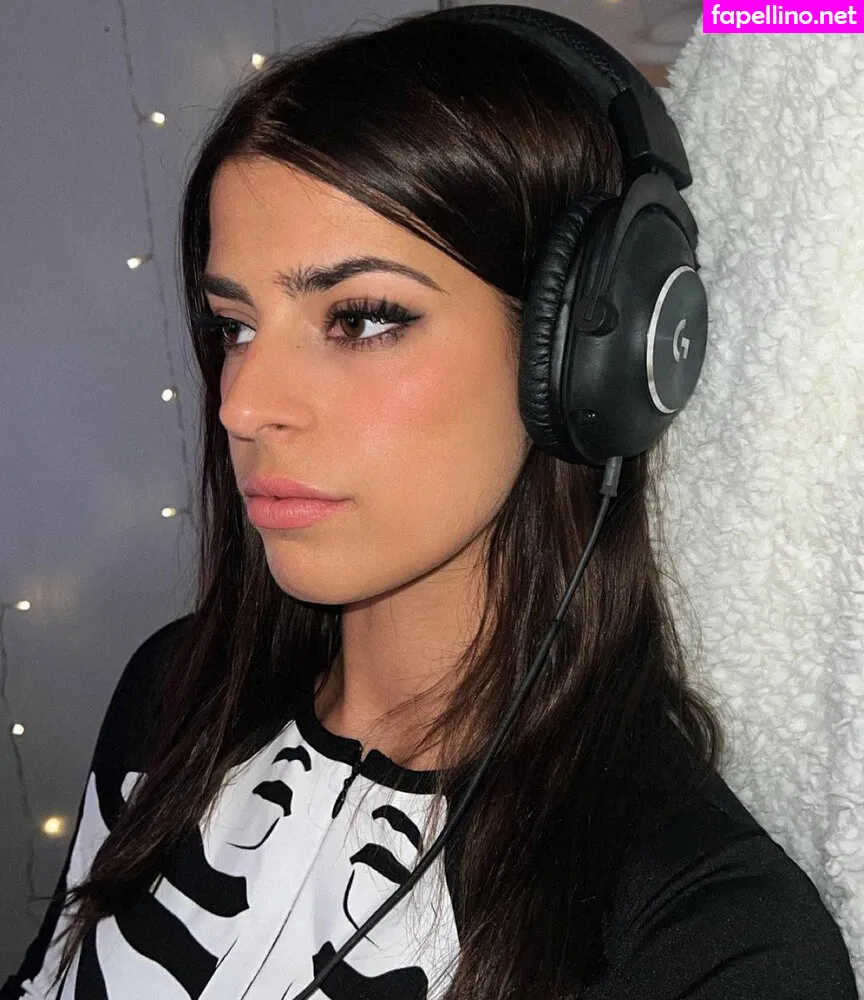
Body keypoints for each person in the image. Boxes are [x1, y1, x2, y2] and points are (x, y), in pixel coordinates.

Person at [3, 5, 858, 999]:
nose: (242, 404)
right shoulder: (174, 691)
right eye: (234, 325)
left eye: (363, 318)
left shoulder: (713, 942)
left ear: (585, 359)